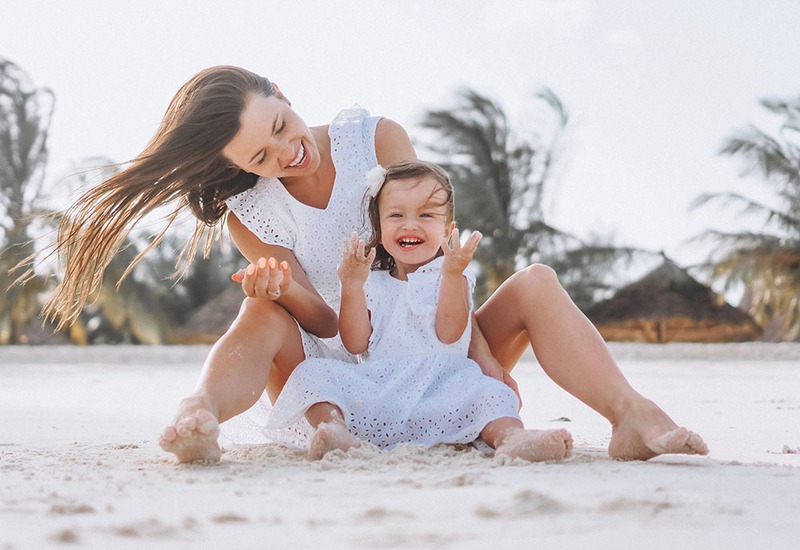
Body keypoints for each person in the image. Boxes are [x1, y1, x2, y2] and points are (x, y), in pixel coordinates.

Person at [42, 65, 707, 463]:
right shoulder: (252, 209)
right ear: (238, 171)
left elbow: (429, 256)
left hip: (427, 347)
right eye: (261, 158)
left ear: (281, 91)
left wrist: (481, 365)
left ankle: (630, 414)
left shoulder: (376, 139)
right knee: (261, 303)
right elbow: (326, 321)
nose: (286, 154)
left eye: (281, 126)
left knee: (536, 282)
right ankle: (200, 414)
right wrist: (284, 290)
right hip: (337, 376)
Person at [267, 161, 573, 461]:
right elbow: (355, 344)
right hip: (381, 391)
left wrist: (452, 276)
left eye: (425, 215)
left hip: (443, 390)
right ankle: (334, 430)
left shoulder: (451, 277)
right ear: (381, 227)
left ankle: (512, 438)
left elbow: (450, 334)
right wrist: (351, 287)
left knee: (491, 394)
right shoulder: (371, 281)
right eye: (396, 214)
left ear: (448, 230)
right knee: (313, 372)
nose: (409, 224)